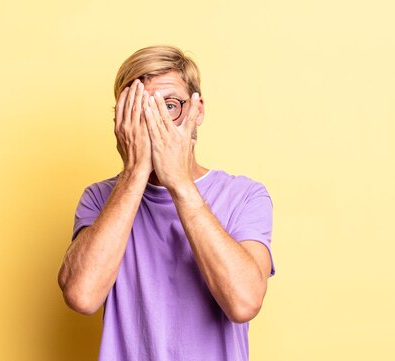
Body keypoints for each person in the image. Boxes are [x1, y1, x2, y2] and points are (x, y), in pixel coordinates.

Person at [58, 45, 275, 361]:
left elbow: (243, 303)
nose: (157, 122)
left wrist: (180, 184)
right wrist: (134, 172)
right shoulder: (99, 199)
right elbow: (82, 296)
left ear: (198, 110)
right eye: (140, 109)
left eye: (170, 105)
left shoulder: (245, 196)